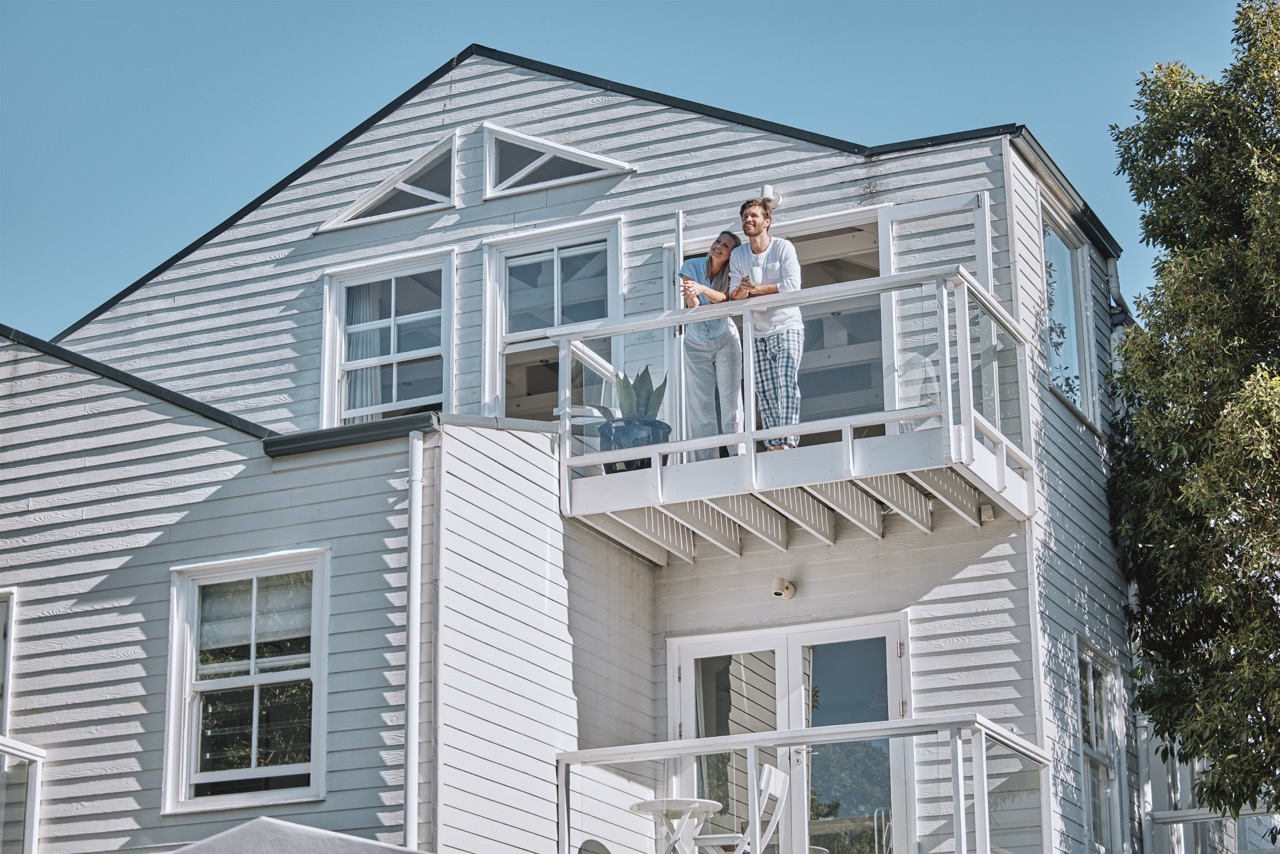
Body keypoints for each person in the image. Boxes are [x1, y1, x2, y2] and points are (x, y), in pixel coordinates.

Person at [729, 197, 803, 450]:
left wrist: (757, 290)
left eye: (754, 216)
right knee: (764, 389)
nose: (748, 220)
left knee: (785, 381)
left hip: (787, 325)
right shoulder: (739, 254)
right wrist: (744, 289)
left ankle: (789, 441)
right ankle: (773, 442)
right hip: (757, 330)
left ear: (767, 221)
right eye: (745, 217)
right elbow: (733, 295)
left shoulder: (783, 248)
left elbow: (793, 286)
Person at [679, 231, 744, 461]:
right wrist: (693, 293)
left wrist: (703, 289)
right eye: (718, 241)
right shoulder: (691, 265)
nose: (718, 247)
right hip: (696, 342)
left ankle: (738, 454)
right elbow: (693, 305)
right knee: (700, 404)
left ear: (730, 254)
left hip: (725, 337)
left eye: (725, 246)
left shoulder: (733, 271)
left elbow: (726, 298)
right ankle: (706, 460)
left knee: (731, 401)